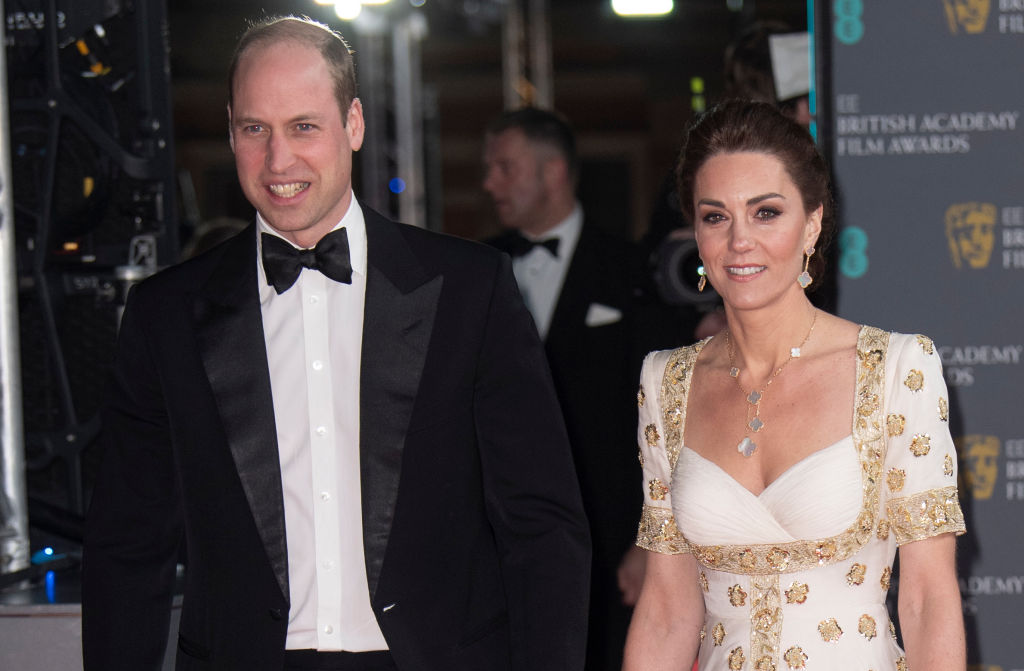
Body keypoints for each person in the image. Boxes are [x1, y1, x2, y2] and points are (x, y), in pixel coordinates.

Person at [82, 16, 590, 671]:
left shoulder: (468, 289)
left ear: (352, 124)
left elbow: (542, 523)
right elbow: (127, 544)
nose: (278, 160)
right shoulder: (166, 315)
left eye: (303, 126)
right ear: (231, 128)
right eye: (254, 129)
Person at [623, 100, 966, 671]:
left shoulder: (896, 368)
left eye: (766, 213)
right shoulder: (666, 382)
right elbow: (666, 609)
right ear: (697, 237)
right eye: (716, 216)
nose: (739, 241)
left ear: (812, 223)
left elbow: (928, 599)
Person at [481, 107, 649, 671]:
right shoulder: (475, 272)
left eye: (505, 168)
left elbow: (662, 418)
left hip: (613, 540)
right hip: (509, 543)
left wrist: (648, 541)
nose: (489, 184)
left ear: (553, 172)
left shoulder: (631, 270)